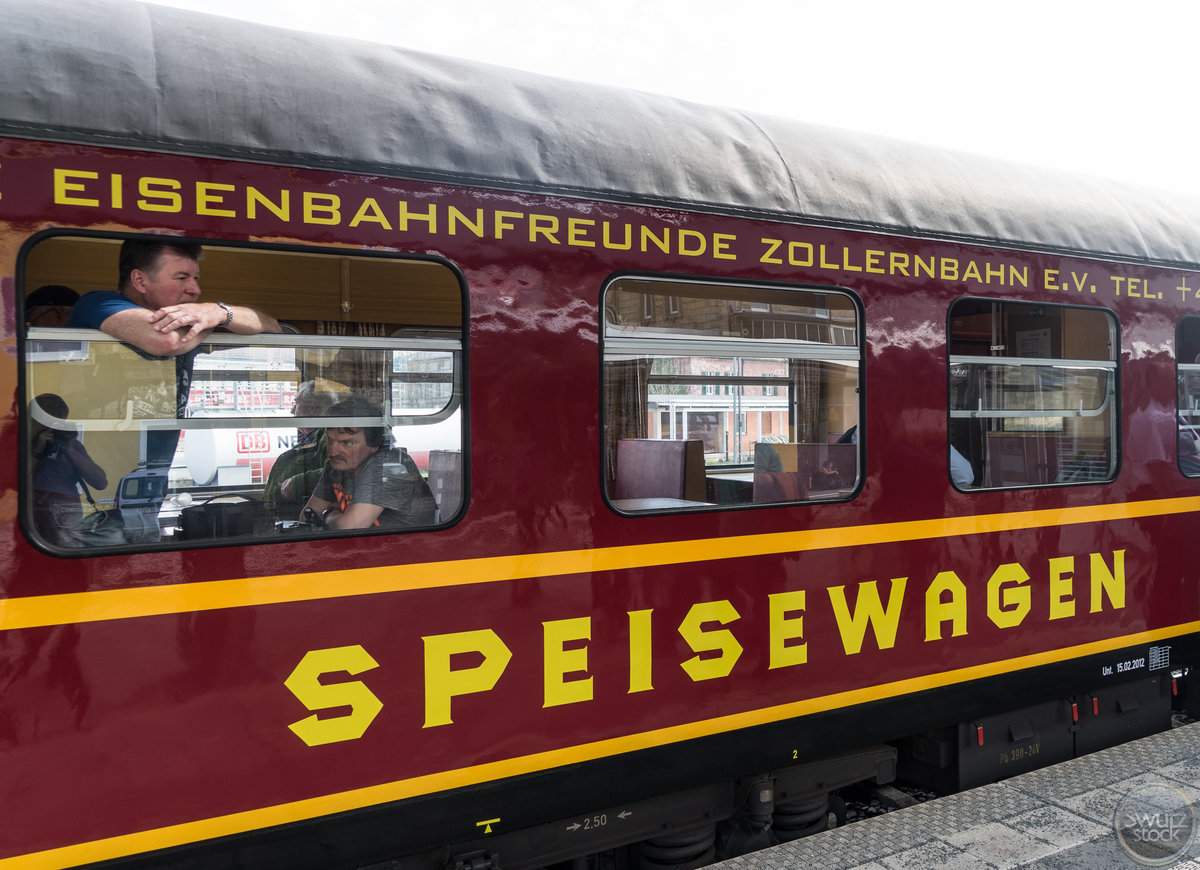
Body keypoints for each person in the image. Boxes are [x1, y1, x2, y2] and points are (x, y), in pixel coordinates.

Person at [67, 239, 280, 464]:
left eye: (195, 278)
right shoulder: (98, 303)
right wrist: (209, 320)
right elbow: (167, 340)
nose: (195, 290)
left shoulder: (198, 321)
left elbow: (271, 326)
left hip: (154, 467)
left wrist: (218, 312)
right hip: (84, 464)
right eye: (181, 278)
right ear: (139, 280)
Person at [303, 396, 436, 530]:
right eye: (329, 439)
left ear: (373, 444)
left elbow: (349, 527)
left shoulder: (388, 466)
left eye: (347, 443)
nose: (333, 451)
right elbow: (306, 516)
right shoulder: (337, 465)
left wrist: (329, 513)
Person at [30, 394, 108, 547]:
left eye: (59, 423)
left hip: (66, 510)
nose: (54, 428)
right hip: (33, 510)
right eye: (49, 422)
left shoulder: (70, 445)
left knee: (69, 553)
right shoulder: (20, 442)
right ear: (34, 420)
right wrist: (37, 451)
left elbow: (100, 482)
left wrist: (69, 450)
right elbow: (15, 482)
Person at [264, 381, 341, 512]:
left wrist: (298, 483)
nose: (292, 410)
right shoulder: (312, 438)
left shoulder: (327, 437)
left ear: (312, 408)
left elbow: (336, 472)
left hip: (306, 516)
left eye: (296, 404)